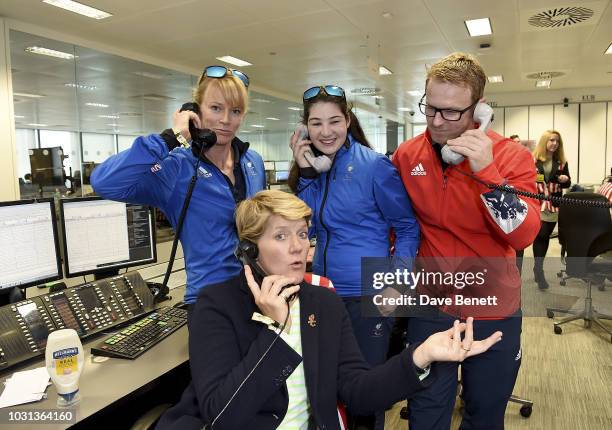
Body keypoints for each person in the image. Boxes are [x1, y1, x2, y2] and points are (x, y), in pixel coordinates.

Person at [156, 190, 503, 430]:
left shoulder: (322, 301)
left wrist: (421, 356)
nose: (298, 247)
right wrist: (275, 331)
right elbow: (224, 416)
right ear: (249, 249)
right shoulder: (217, 306)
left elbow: (357, 390)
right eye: (280, 236)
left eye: (303, 234)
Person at [393, 52, 540, 430]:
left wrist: (487, 172)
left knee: (484, 414)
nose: (438, 122)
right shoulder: (408, 155)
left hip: (493, 306)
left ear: (479, 110)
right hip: (432, 306)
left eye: (452, 112)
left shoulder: (512, 157)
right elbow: (394, 223)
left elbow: (524, 234)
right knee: (425, 413)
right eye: (431, 108)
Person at [288, 85, 420, 428]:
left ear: (348, 120)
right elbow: (308, 223)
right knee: (325, 385)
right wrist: (305, 173)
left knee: (366, 392)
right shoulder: (315, 169)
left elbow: (407, 228)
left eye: (334, 121)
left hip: (369, 295)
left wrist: (398, 284)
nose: (326, 131)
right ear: (304, 128)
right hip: (322, 293)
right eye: (316, 124)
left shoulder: (374, 166)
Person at [91, 66, 266, 313]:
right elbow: (104, 182)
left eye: (235, 111)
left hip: (260, 294)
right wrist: (170, 138)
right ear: (196, 111)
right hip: (211, 302)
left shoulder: (252, 162)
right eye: (216, 108)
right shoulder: (178, 168)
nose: (226, 120)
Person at [532, 130, 571, 290]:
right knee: (540, 234)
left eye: (557, 141)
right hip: (536, 203)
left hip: (553, 205)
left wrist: (565, 180)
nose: (555, 143)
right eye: (552, 140)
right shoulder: (533, 160)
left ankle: (537, 267)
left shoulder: (562, 162)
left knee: (544, 236)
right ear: (544, 142)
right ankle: (539, 270)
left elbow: (568, 184)